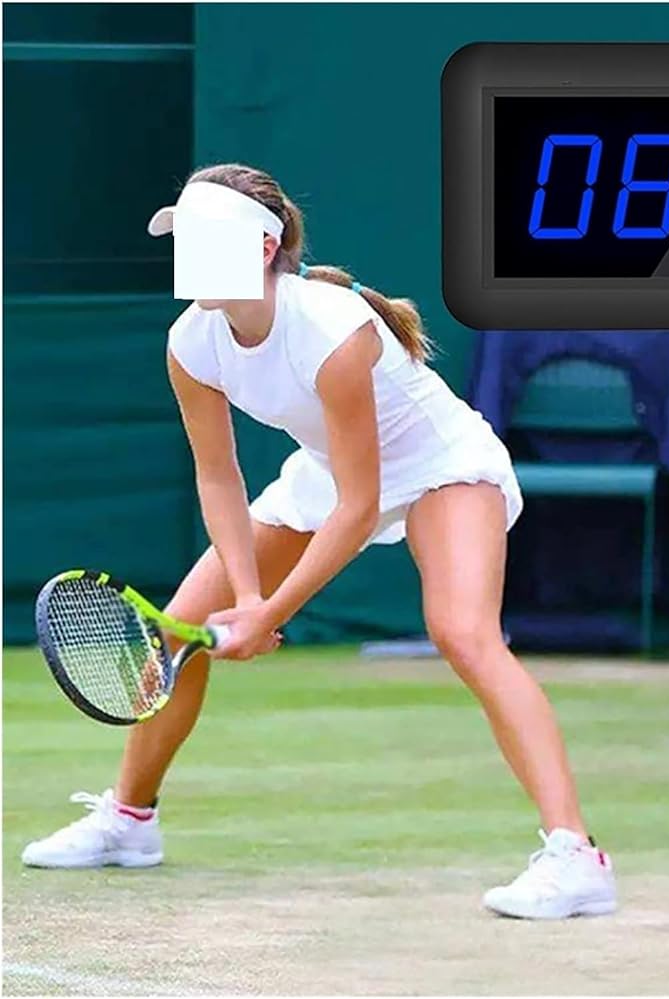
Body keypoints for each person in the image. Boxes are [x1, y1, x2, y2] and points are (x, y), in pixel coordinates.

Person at [21, 163, 616, 920]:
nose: (189, 254)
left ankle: (576, 855)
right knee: (173, 634)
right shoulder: (191, 341)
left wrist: (270, 613)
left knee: (463, 633)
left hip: (438, 466)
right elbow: (218, 477)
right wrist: (245, 595)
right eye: (184, 239)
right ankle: (130, 820)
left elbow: (360, 508)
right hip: (324, 475)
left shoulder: (333, 329)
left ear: (265, 247)